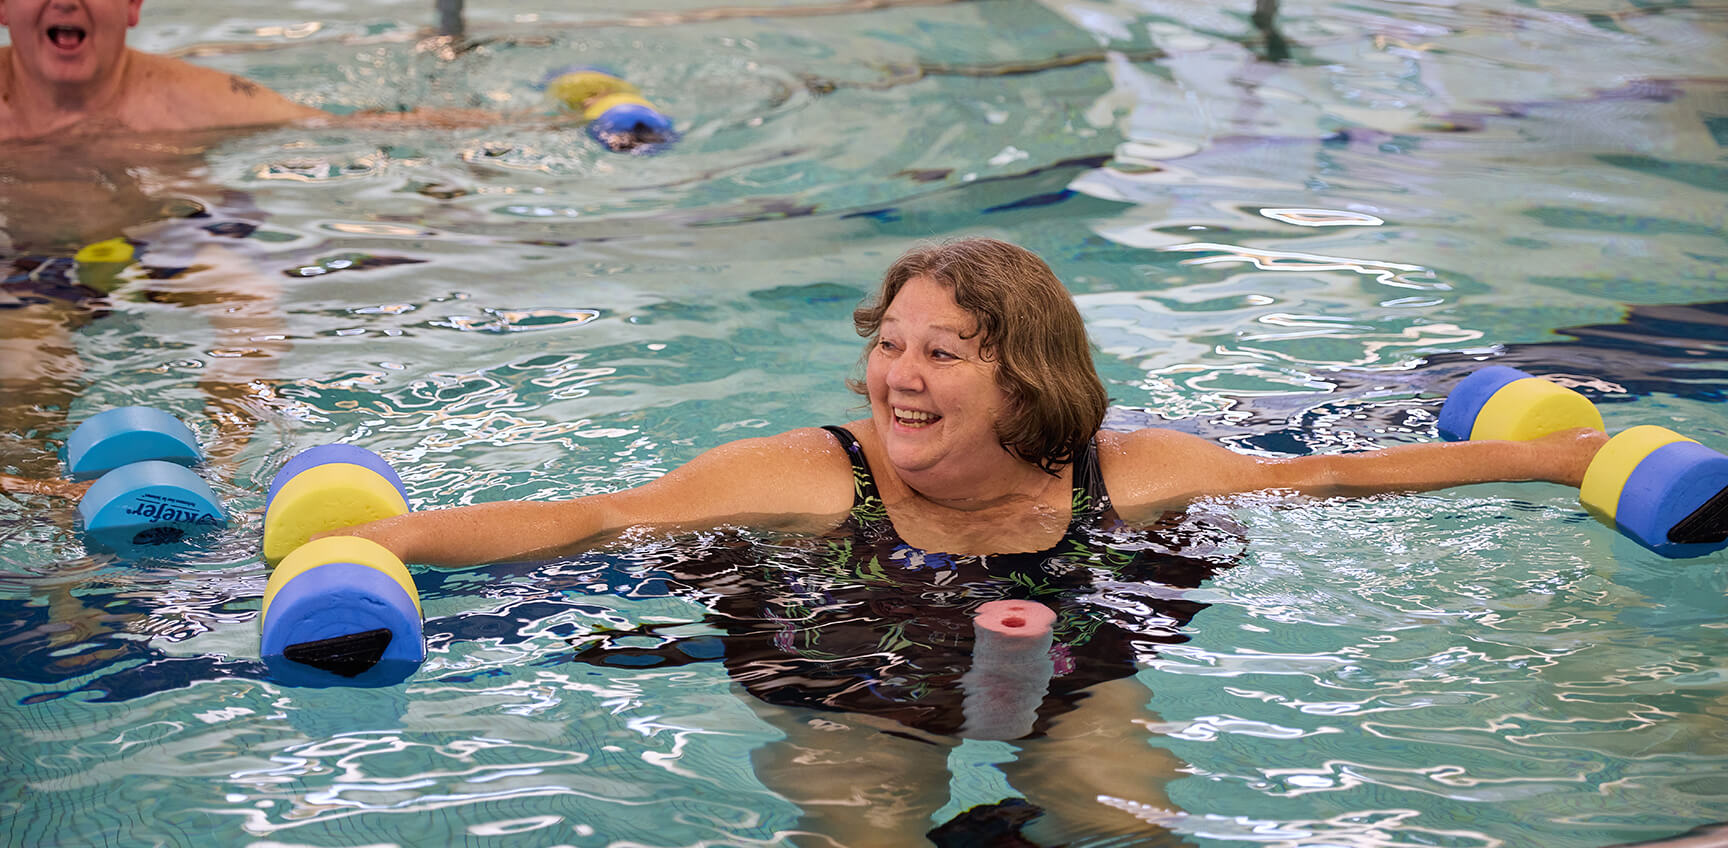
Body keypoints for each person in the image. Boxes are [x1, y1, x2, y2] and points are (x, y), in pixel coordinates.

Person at [324, 237, 1607, 843]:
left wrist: (1558, 456)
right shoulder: (813, 473)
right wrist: (381, 541)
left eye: (943, 351)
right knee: (867, 837)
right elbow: (594, 517)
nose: (898, 375)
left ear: (1024, 380)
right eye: (888, 343)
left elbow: (1334, 474)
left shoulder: (1126, 468)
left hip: (1070, 666)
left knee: (1130, 826)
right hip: (847, 686)